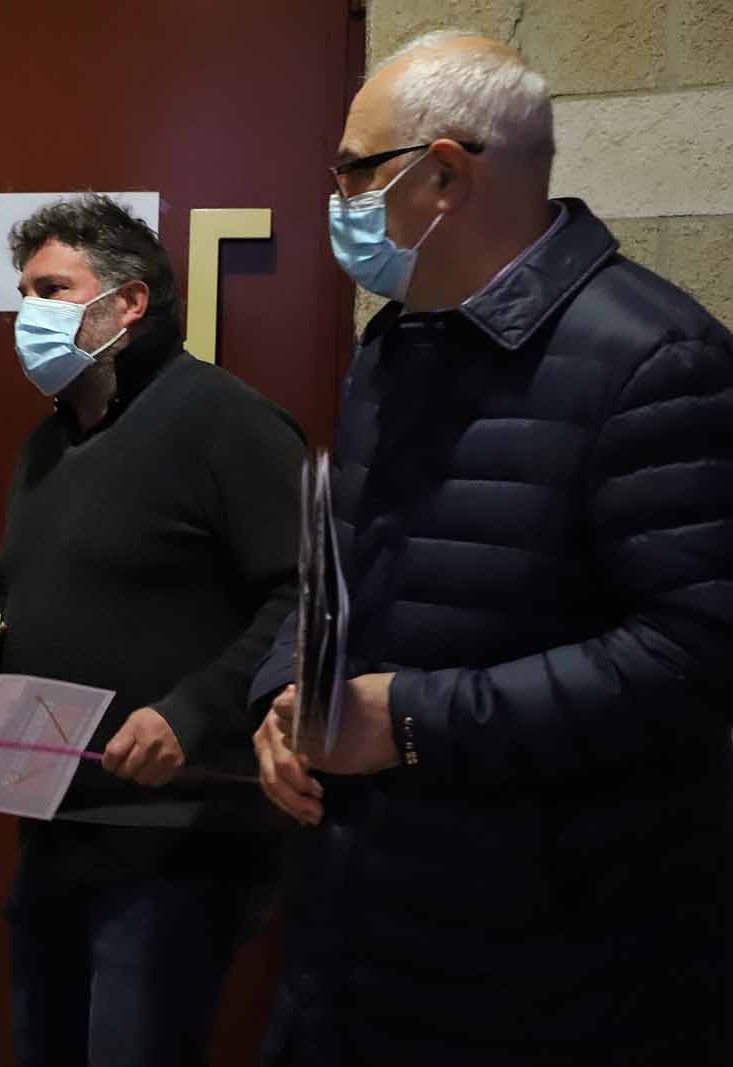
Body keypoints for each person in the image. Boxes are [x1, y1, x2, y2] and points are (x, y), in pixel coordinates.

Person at [251, 32, 733, 1066]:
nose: (335, 197)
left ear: (442, 175)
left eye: (351, 171)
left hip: (554, 964)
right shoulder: (395, 342)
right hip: (361, 930)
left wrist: (414, 721)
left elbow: (694, 656)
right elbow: (338, 567)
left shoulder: (657, 357)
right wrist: (278, 698)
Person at [0, 194, 303, 1067]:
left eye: (51, 289)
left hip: (175, 836)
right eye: (23, 292)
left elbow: (303, 597)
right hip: (53, 818)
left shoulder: (227, 421)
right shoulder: (48, 443)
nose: (27, 314)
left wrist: (187, 713)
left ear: (128, 303)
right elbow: (21, 585)